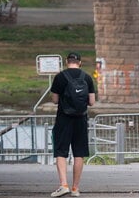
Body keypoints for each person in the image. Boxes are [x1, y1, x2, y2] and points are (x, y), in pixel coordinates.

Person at [50, 52, 96, 197]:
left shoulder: (60, 77)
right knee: (79, 153)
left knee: (61, 152)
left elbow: (55, 100)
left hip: (64, 119)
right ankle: (75, 188)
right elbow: (92, 102)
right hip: (81, 119)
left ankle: (63, 185)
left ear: (66, 61)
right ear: (80, 62)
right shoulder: (87, 78)